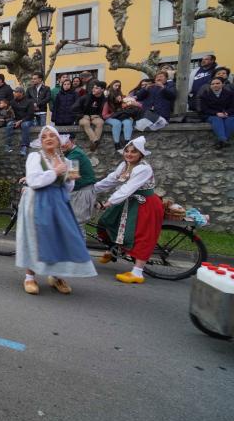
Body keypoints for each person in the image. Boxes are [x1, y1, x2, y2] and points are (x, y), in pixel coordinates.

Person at [16, 125, 96, 295]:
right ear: (41, 141)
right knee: (37, 237)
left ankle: (56, 275)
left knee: (60, 237)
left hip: (59, 201)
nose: (48, 139)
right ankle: (29, 277)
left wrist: (68, 176)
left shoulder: (69, 161)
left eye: (52, 136)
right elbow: (34, 181)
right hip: (37, 200)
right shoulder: (34, 157)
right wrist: (55, 171)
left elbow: (69, 187)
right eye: (44, 137)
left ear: (59, 140)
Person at [95, 137, 163, 284]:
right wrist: (90, 189)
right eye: (127, 151)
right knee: (105, 222)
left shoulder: (143, 168)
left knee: (141, 235)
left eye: (134, 152)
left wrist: (108, 202)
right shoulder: (124, 165)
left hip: (145, 203)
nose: (129, 154)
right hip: (129, 201)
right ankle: (113, 248)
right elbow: (111, 180)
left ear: (141, 154)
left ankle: (138, 272)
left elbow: (127, 188)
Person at [61, 133, 97, 235]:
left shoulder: (75, 154)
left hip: (82, 192)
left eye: (65, 142)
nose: (62, 145)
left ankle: (80, 250)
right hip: (78, 192)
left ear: (73, 141)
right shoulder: (70, 153)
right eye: (60, 142)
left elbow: (71, 175)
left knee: (77, 226)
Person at [198, 76, 234, 149]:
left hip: (227, 114)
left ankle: (221, 141)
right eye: (213, 84)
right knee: (217, 119)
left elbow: (232, 107)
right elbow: (204, 109)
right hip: (211, 115)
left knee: (231, 120)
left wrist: (227, 113)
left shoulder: (230, 94)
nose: (215, 85)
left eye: (218, 83)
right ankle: (223, 140)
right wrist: (216, 113)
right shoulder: (205, 95)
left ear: (222, 84)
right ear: (210, 86)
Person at [72, 81, 107, 151]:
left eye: (97, 88)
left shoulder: (104, 99)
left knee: (100, 123)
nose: (94, 89)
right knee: (85, 123)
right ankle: (95, 141)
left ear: (102, 90)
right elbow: (74, 108)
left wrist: (99, 116)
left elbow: (105, 111)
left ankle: (94, 143)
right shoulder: (85, 97)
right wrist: (82, 115)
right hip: (83, 117)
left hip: (95, 117)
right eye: (93, 88)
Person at [5, 87, 35, 156]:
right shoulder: (12, 102)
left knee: (24, 125)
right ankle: (8, 145)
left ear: (21, 93)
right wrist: (8, 110)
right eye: (14, 92)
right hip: (16, 120)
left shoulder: (29, 101)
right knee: (9, 124)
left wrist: (20, 121)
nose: (14, 94)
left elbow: (30, 115)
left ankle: (24, 146)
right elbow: (10, 114)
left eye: (16, 92)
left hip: (28, 120)